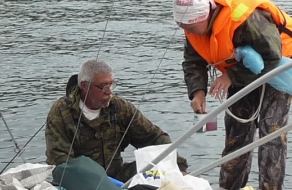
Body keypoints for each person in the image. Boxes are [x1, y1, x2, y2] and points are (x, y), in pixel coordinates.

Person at [173, 0, 292, 190]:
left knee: (271, 131)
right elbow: (193, 62)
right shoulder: (192, 26)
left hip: (278, 65)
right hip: (240, 67)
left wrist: (231, 76)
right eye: (184, 27)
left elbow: (272, 55)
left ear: (206, 15)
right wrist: (198, 92)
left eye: (192, 27)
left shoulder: (246, 18)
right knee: (237, 132)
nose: (190, 32)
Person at [45, 59, 188, 182]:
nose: (109, 91)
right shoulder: (61, 112)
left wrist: (178, 166)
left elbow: (154, 137)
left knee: (155, 166)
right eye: (102, 86)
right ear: (85, 86)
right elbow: (60, 160)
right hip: (79, 181)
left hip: (116, 176)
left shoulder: (120, 108)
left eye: (111, 84)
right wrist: (95, 186)